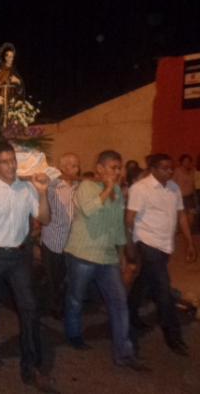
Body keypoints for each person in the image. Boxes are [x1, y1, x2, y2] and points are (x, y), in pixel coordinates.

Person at [0, 141, 54, 391]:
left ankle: (31, 365)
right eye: (4, 161)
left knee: (30, 307)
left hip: (18, 257)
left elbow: (44, 218)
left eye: (12, 160)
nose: (11, 165)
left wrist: (43, 192)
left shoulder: (27, 188)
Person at [63, 150, 146, 370]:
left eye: (119, 168)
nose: (117, 172)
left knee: (119, 303)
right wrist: (108, 188)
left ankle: (124, 353)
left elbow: (118, 226)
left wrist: (121, 256)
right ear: (99, 168)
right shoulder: (86, 187)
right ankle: (74, 334)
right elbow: (89, 210)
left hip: (107, 257)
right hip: (82, 254)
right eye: (113, 167)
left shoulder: (118, 191)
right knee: (75, 298)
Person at [127, 154, 197, 355]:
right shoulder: (140, 189)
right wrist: (132, 244)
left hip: (166, 244)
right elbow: (130, 218)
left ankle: (129, 313)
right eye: (165, 168)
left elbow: (181, 215)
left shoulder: (174, 188)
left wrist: (190, 242)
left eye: (170, 167)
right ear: (153, 169)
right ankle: (173, 335)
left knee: (143, 282)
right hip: (148, 243)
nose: (169, 171)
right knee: (163, 290)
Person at [40, 153, 80, 319]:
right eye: (72, 165)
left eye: (77, 165)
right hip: (53, 240)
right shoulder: (51, 187)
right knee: (53, 278)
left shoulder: (80, 187)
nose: (76, 168)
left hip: (73, 242)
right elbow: (42, 212)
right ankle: (53, 308)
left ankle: (62, 306)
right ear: (62, 167)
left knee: (68, 277)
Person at [173, 154, 196, 230]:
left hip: (190, 196)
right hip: (180, 197)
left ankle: (187, 232)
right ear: (181, 162)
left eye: (188, 161)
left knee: (191, 217)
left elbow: (193, 184)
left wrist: (195, 195)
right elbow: (172, 183)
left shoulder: (192, 171)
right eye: (185, 161)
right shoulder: (177, 170)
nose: (187, 162)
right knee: (181, 216)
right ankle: (180, 233)